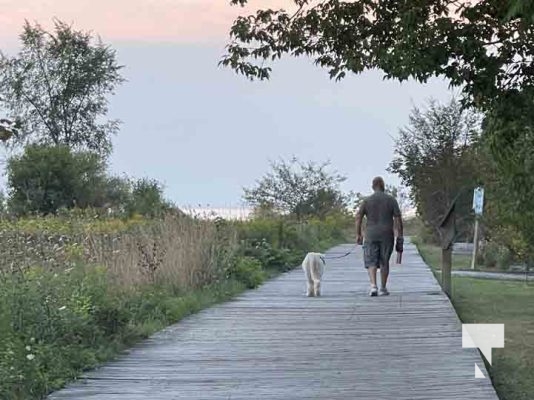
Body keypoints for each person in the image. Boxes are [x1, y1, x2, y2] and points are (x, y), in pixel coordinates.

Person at [355, 177, 404, 296]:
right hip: (387, 234)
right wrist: (400, 235)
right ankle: (383, 288)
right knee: (384, 261)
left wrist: (358, 234)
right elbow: (398, 219)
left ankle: (373, 286)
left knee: (371, 260)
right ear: (383, 186)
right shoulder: (391, 200)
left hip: (371, 234)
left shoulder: (367, 201)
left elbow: (358, 217)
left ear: (373, 186)